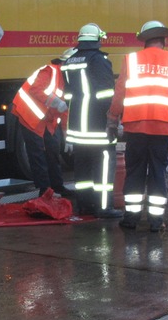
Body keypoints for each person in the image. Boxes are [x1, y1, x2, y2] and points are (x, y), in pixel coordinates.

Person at [106, 20, 168, 231]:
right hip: (164, 127)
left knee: (135, 172)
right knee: (159, 171)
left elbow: (119, 91)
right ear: (163, 41)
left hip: (135, 126)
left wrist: (113, 117)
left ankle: (131, 218)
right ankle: (156, 221)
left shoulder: (131, 60)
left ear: (145, 41)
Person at [61, 23, 121, 217]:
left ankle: (84, 205)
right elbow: (107, 94)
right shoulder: (99, 60)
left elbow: (69, 94)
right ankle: (104, 208)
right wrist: (112, 120)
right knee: (103, 169)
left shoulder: (69, 60)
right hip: (97, 127)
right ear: (97, 39)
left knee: (83, 170)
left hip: (78, 127)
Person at [11, 57, 69, 196]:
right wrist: (56, 102)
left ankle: (57, 186)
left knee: (53, 150)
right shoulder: (49, 71)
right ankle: (44, 190)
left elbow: (66, 110)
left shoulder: (68, 79)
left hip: (47, 119)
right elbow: (35, 90)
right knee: (37, 153)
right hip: (30, 115)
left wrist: (67, 136)